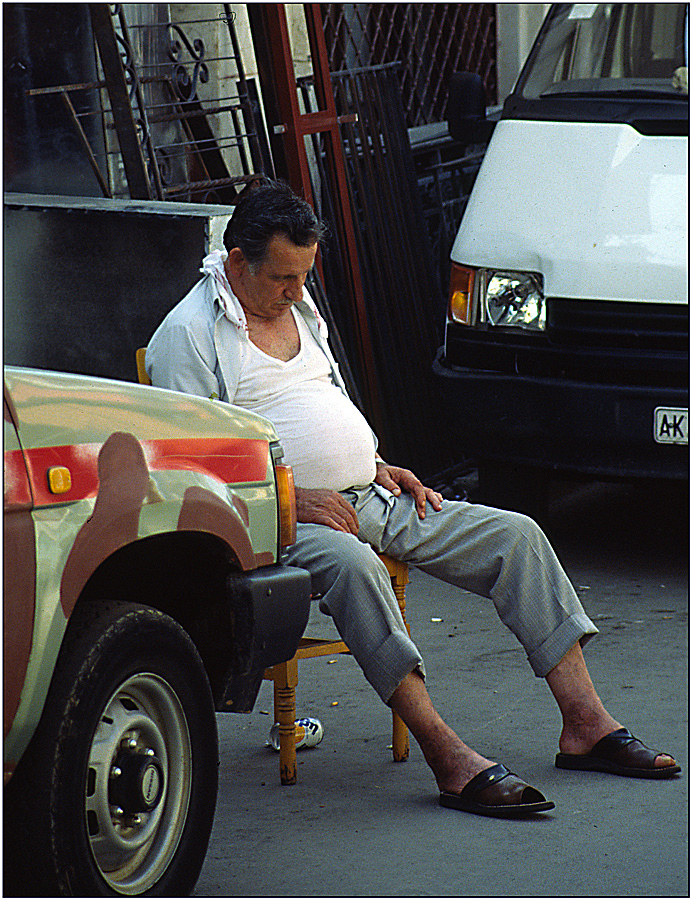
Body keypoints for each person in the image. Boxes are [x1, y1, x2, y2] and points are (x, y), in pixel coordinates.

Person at [146, 180, 679, 817]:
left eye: (304, 276)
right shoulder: (187, 335)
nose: (297, 291)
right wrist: (296, 496)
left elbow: (319, 406)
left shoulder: (298, 309)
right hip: (278, 518)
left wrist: (375, 463)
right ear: (237, 262)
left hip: (367, 494)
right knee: (358, 569)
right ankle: (446, 755)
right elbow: (195, 474)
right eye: (285, 278)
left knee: (518, 536)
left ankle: (585, 725)